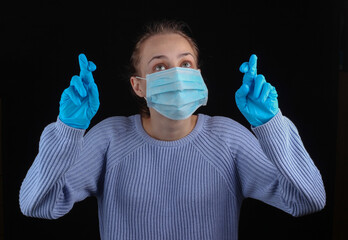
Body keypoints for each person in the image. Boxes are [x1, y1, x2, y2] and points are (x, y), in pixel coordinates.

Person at [19, 20, 326, 240]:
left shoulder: (228, 139)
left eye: (186, 63)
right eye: (160, 67)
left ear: (199, 75)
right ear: (138, 86)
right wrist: (67, 130)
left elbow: (308, 200)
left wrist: (270, 125)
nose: (178, 75)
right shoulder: (110, 139)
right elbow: (37, 204)